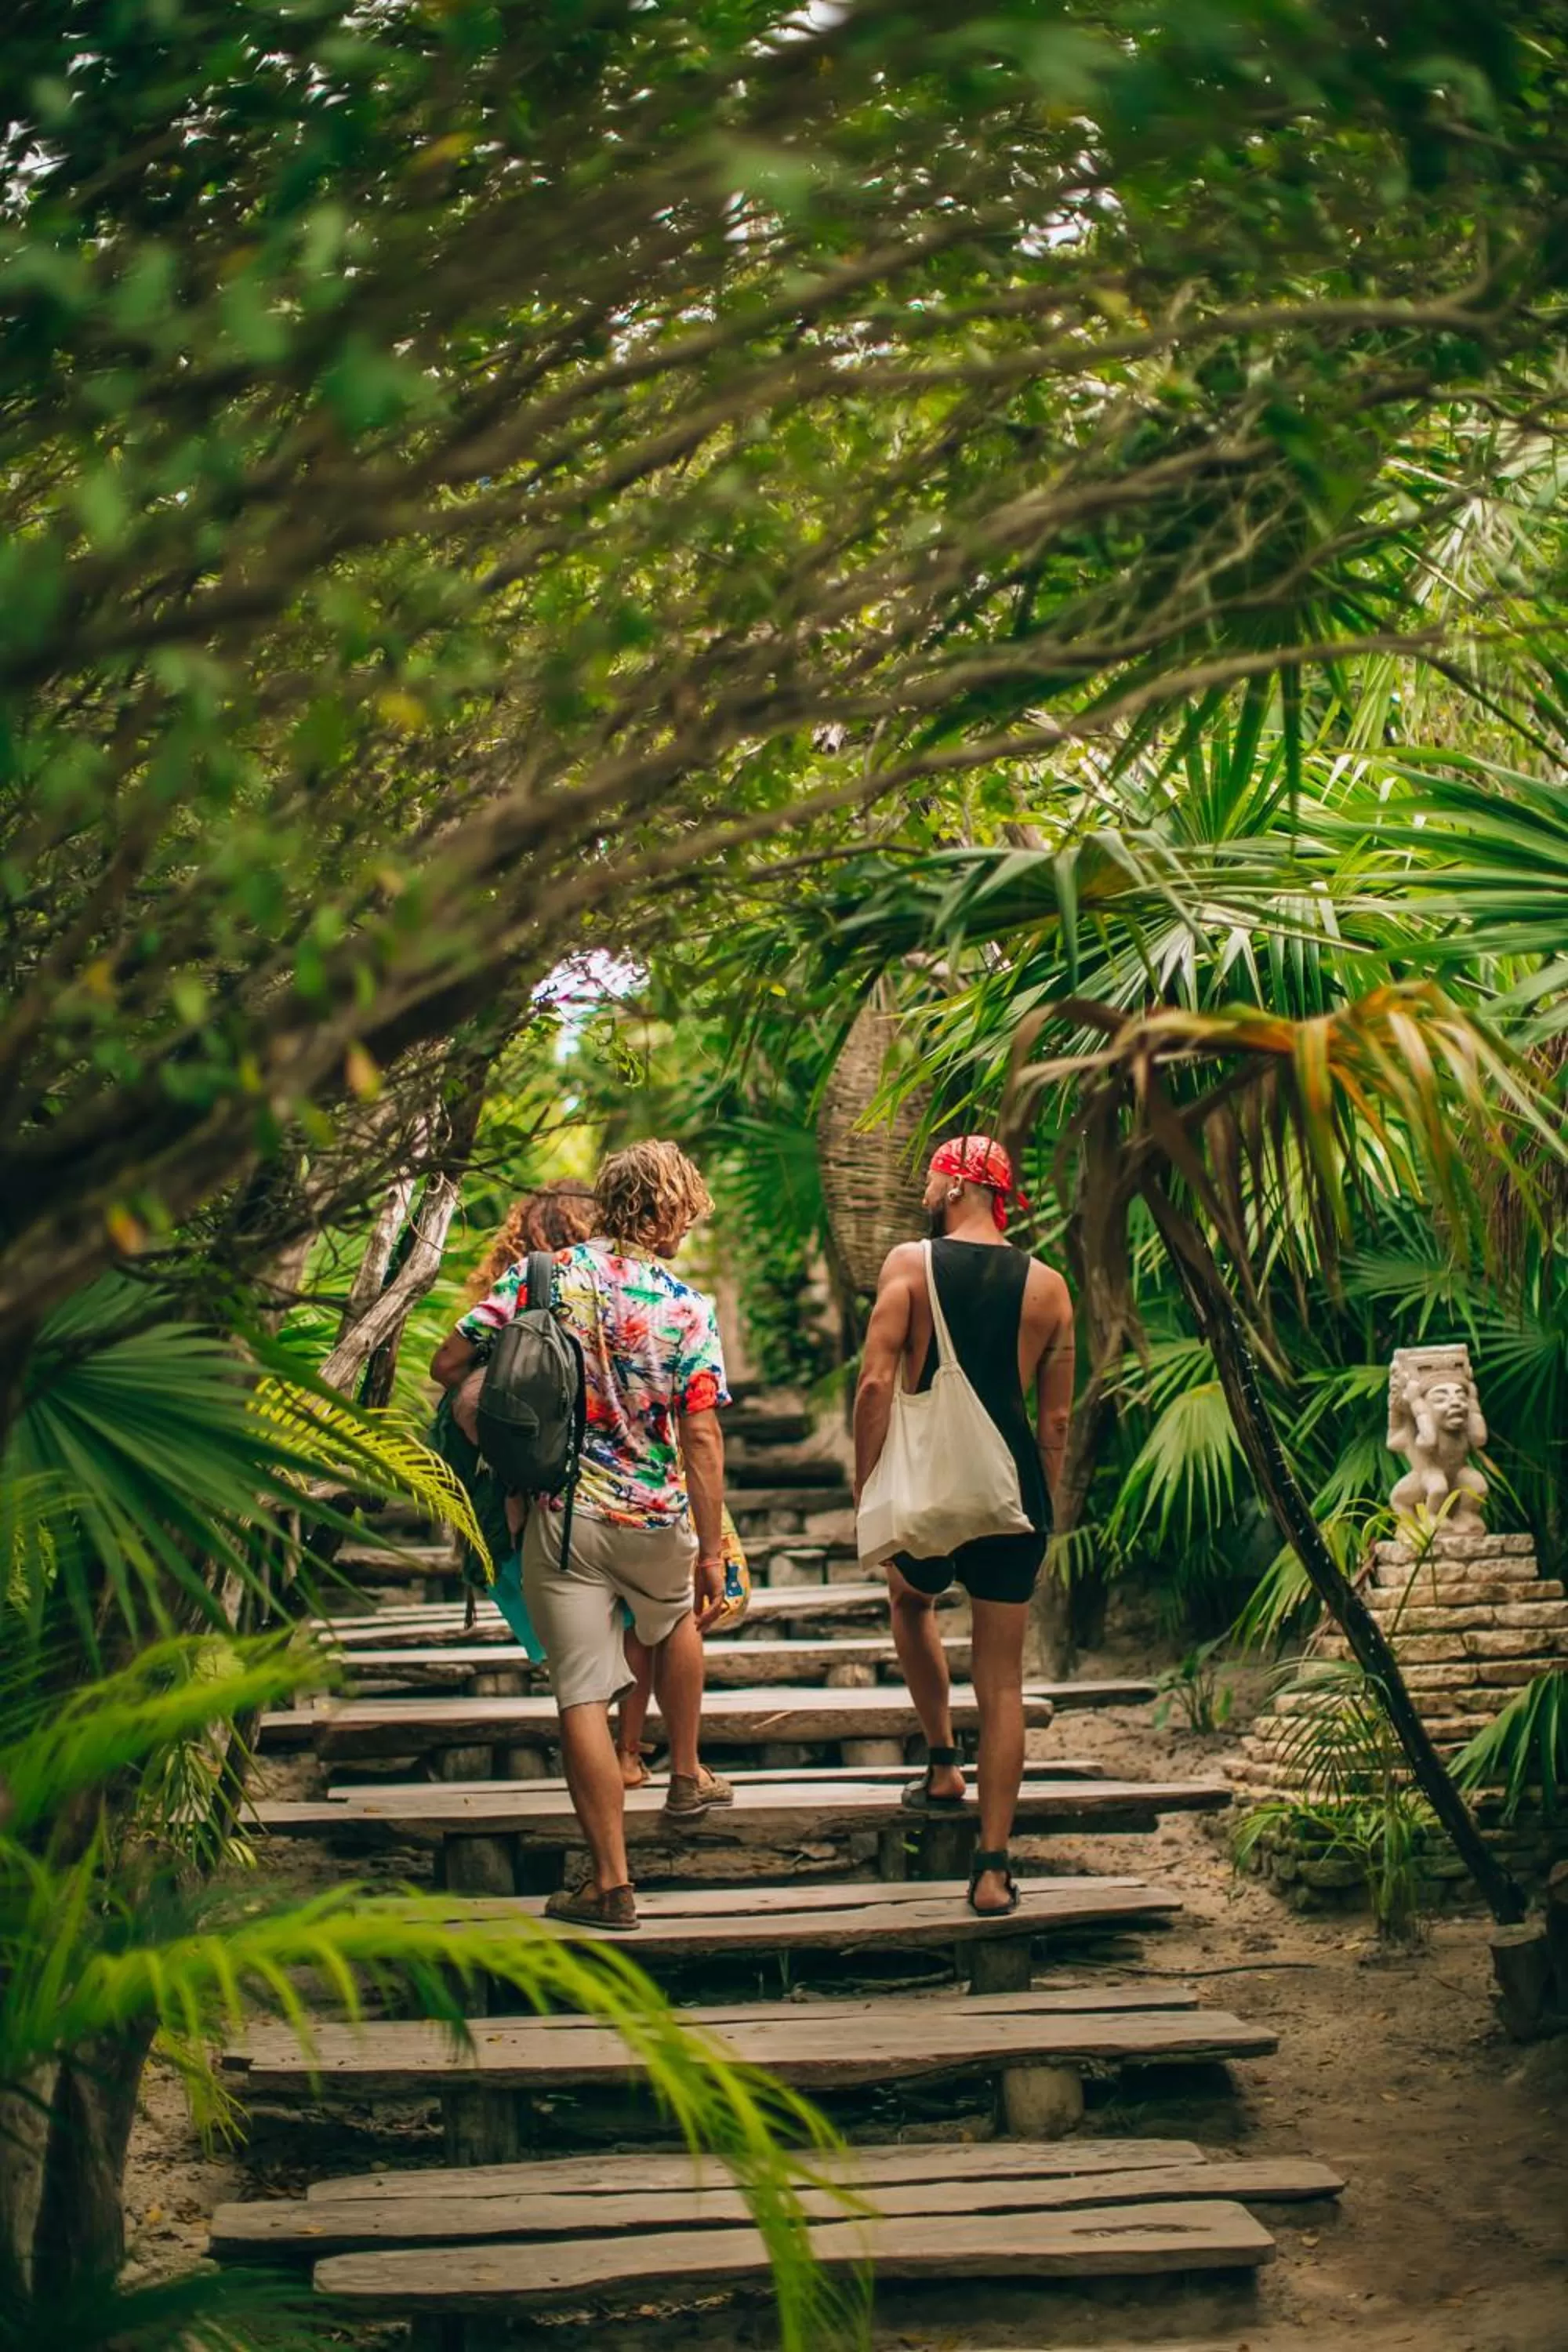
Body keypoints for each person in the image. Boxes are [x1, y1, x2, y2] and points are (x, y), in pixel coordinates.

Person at [430, 1139, 733, 1931]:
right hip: (660, 1521)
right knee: (670, 1626)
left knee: (581, 1697)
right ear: (669, 1211)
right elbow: (700, 1437)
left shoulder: (544, 1276)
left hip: (561, 1521)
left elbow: (447, 1361)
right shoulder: (685, 1306)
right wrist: (711, 1550)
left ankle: (609, 1883)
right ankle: (685, 1775)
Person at [852, 1134, 1073, 1918]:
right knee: (1004, 1681)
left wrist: (866, 1485)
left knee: (910, 1602)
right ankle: (990, 1868)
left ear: (953, 1185)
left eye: (930, 1172)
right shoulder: (1049, 1288)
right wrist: (1035, 1504)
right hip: (1009, 1492)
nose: (923, 1185)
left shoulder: (908, 1266)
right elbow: (1053, 1417)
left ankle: (942, 1759)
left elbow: (876, 1383)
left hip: (927, 1489)